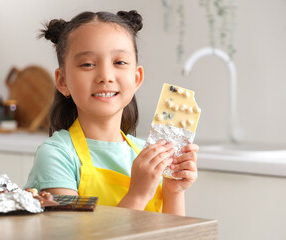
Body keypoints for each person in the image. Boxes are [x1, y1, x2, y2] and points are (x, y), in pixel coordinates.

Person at [24, 10, 199, 215]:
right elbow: (69, 232)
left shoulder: (147, 154)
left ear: (136, 78)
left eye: (119, 62)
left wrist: (173, 191)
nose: (105, 76)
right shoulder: (57, 155)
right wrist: (138, 195)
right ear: (63, 81)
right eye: (88, 64)